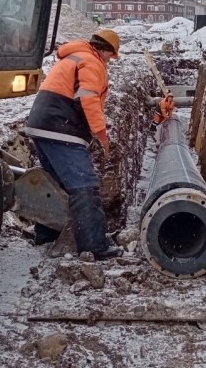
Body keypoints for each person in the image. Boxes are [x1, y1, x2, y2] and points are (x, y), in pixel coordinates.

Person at [25, 29, 123, 259]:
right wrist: (100, 134)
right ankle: (93, 246)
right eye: (111, 56)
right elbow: (87, 98)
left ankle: (47, 232)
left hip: (42, 124)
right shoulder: (92, 62)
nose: (110, 61)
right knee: (85, 185)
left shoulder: (73, 57)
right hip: (61, 128)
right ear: (106, 50)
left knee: (55, 183)